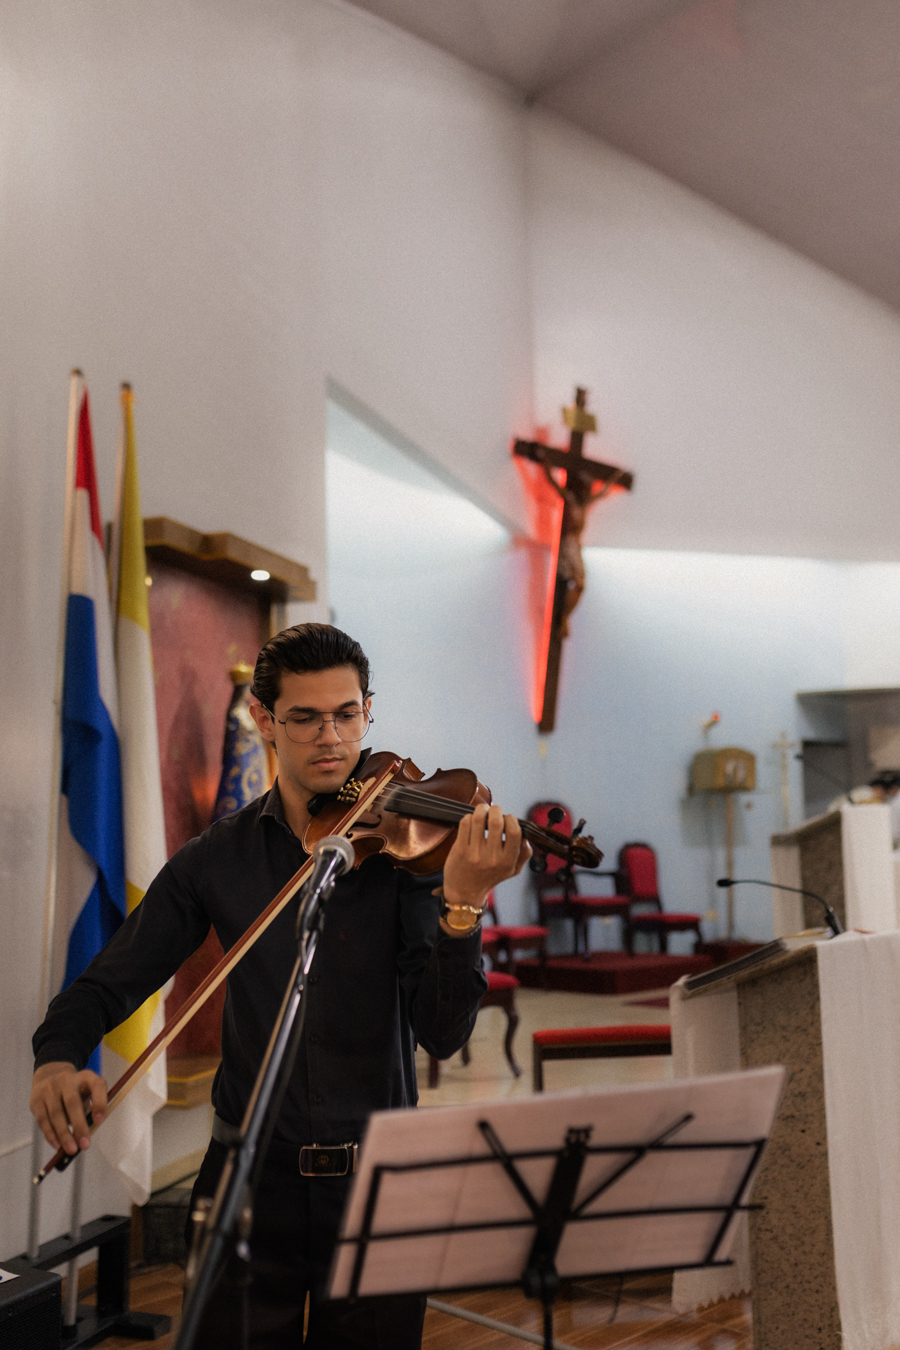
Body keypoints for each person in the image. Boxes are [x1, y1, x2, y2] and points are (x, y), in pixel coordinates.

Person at [30, 623, 531, 1349]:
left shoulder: (410, 852)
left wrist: (464, 906)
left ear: (367, 711)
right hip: (246, 1181)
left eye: (348, 714)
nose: (332, 738)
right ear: (264, 720)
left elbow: (443, 1033)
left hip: (379, 1185)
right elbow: (107, 983)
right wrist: (57, 1056)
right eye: (305, 718)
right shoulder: (217, 857)